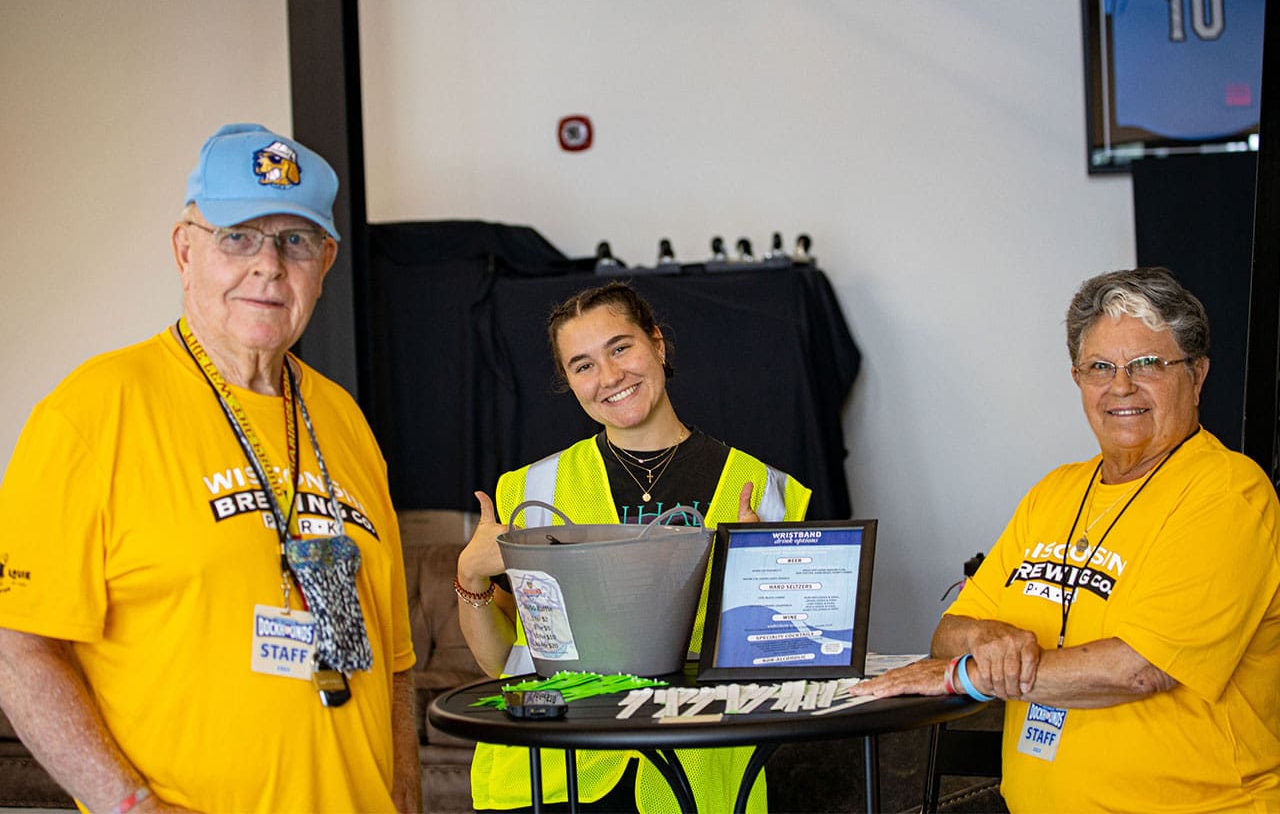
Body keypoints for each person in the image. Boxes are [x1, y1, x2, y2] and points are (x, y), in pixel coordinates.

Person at [0, 124, 419, 813]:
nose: (269, 266)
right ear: (183, 250)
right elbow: (21, 648)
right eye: (239, 236)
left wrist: (405, 799)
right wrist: (129, 806)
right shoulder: (94, 409)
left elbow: (394, 662)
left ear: (326, 262)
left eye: (295, 240)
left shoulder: (343, 418)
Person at [859, 267, 1280, 812]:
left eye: (1148, 364)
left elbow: (1138, 669)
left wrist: (966, 674)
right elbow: (951, 630)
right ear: (1078, 379)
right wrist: (988, 637)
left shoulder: (1226, 494)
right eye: (1100, 367)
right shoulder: (1053, 493)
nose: (1121, 385)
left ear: (1197, 376)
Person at [455, 280, 812, 813]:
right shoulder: (529, 491)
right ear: (570, 383)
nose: (610, 377)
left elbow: (789, 664)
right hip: (552, 772)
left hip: (695, 777)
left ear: (658, 345)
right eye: (583, 365)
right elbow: (500, 661)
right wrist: (470, 575)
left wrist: (761, 583)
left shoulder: (763, 489)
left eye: (620, 348)